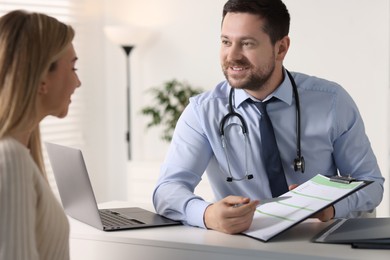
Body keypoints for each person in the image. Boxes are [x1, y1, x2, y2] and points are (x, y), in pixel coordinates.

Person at [153, 0, 384, 235]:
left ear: (281, 48)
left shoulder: (331, 102)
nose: (232, 56)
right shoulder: (203, 112)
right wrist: (206, 214)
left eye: (247, 43)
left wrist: (331, 208)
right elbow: (167, 189)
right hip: (241, 246)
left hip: (317, 241)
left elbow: (371, 183)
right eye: (226, 42)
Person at [0, 10, 81, 259]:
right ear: (44, 77)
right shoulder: (10, 158)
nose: (77, 82)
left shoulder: (18, 154)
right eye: (72, 67)